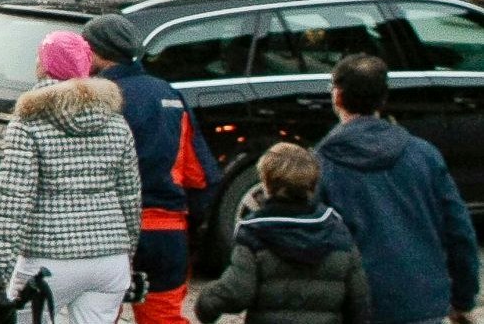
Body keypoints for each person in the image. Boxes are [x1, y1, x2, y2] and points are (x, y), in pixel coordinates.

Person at [0, 31, 140, 324]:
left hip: (46, 256)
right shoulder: (115, 122)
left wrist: (2, 270)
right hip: (110, 257)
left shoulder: (28, 123)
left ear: (44, 67)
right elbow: (130, 198)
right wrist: (127, 252)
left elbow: (13, 201)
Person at [315, 54, 478, 324]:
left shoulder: (323, 164)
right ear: (383, 98)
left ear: (338, 98)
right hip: (423, 300)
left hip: (358, 305)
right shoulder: (423, 154)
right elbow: (459, 231)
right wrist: (462, 298)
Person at [83, 13, 218, 324]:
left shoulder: (92, 98)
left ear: (95, 51)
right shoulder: (168, 94)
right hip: (165, 231)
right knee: (164, 319)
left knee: (96, 317)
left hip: (107, 230)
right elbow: (199, 175)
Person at [194, 142, 369, 324]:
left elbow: (237, 291)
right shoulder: (336, 230)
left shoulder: (255, 233)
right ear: (312, 184)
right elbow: (358, 298)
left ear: (267, 184)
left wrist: (206, 305)